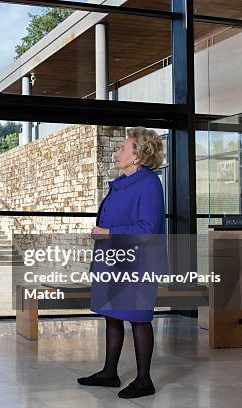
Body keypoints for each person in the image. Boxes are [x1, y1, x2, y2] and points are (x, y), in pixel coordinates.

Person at [77, 127, 165, 399]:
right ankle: (109, 372)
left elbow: (148, 227)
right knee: (112, 315)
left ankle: (144, 380)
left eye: (122, 148)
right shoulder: (121, 182)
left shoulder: (149, 183)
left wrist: (108, 233)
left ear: (138, 156)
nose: (117, 152)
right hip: (113, 261)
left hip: (138, 264)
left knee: (139, 319)